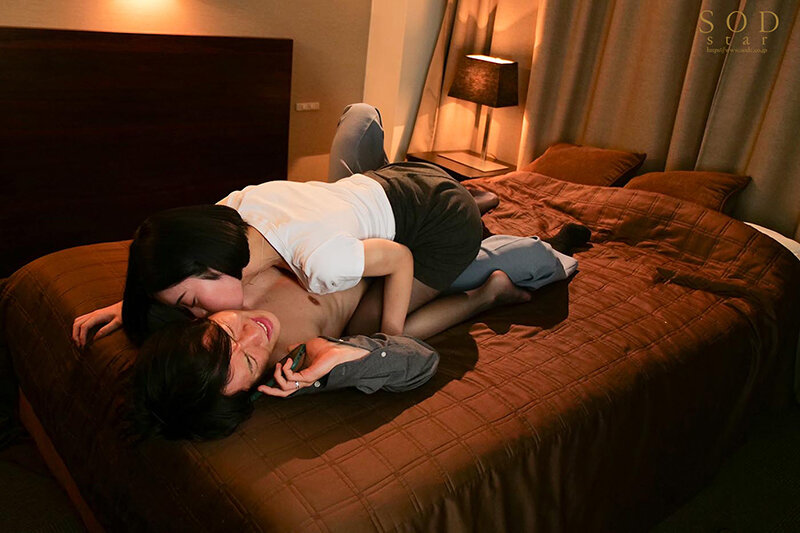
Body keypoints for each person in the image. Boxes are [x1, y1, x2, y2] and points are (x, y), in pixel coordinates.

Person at [131, 224, 591, 440]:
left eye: (226, 335)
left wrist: (124, 305)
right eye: (251, 361)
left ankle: (476, 208)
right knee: (530, 258)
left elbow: (170, 270)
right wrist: (343, 356)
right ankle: (490, 293)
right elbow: (420, 360)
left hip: (368, 231)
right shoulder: (292, 363)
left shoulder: (213, 291)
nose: (256, 334)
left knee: (359, 120)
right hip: (388, 281)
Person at [74, 103, 483, 345]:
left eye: (190, 302)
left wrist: (389, 338)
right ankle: (479, 195)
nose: (197, 316)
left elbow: (399, 258)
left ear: (209, 265)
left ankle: (487, 292)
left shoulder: (320, 262)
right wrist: (131, 306)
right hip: (393, 181)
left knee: (362, 333)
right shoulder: (230, 210)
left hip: (441, 224)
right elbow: (175, 253)